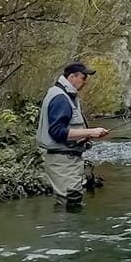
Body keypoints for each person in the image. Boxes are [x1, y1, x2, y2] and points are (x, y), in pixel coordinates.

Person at [36, 62, 110, 210]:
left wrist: (84, 137)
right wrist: (91, 132)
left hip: (64, 158)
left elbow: (66, 131)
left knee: (70, 202)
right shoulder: (61, 99)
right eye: (83, 78)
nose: (85, 82)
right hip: (61, 160)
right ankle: (66, 232)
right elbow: (57, 133)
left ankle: (68, 230)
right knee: (71, 202)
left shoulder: (64, 95)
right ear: (72, 77)